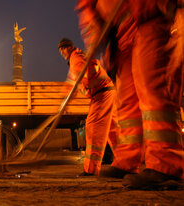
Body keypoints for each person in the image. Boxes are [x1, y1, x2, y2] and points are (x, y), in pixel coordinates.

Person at [75, 0, 184, 189]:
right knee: (127, 104)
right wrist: (97, 36)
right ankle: (128, 160)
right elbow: (89, 9)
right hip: (121, 38)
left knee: (155, 90)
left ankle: (167, 164)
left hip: (153, 15)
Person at [58, 38, 118, 176]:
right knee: (113, 130)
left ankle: (91, 170)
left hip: (102, 94)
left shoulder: (76, 58)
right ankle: (124, 162)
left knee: (93, 127)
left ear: (69, 47)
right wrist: (65, 97)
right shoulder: (77, 57)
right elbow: (72, 80)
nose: (61, 52)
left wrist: (69, 95)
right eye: (60, 49)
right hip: (108, 91)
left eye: (63, 48)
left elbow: (79, 76)